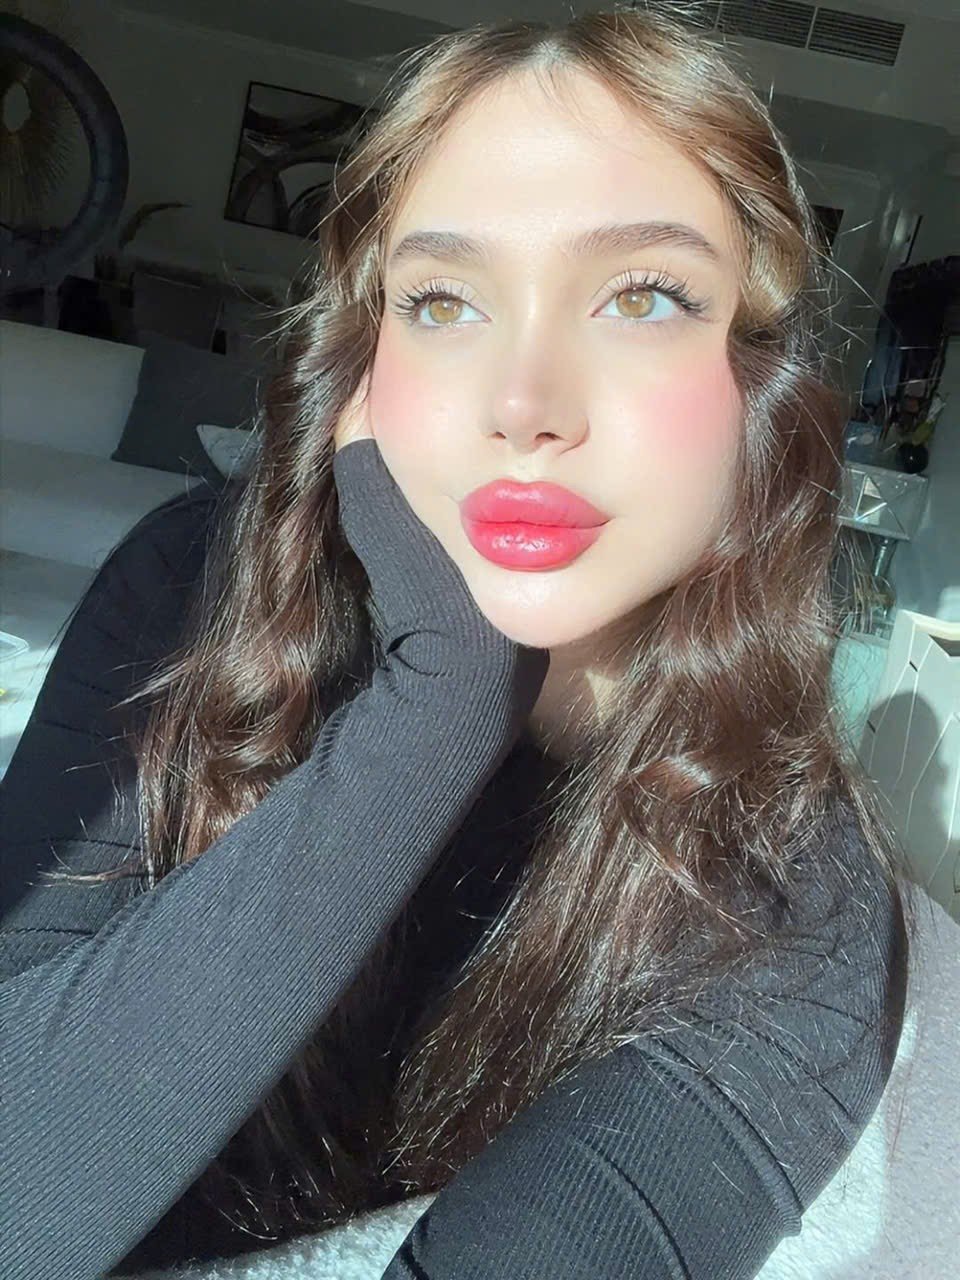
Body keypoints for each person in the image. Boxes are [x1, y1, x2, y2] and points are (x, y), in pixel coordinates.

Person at [1, 8, 912, 1279]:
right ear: (359, 364)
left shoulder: (790, 892)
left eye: (643, 296)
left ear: (757, 385)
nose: (524, 403)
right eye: (441, 300)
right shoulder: (185, 587)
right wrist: (438, 699)